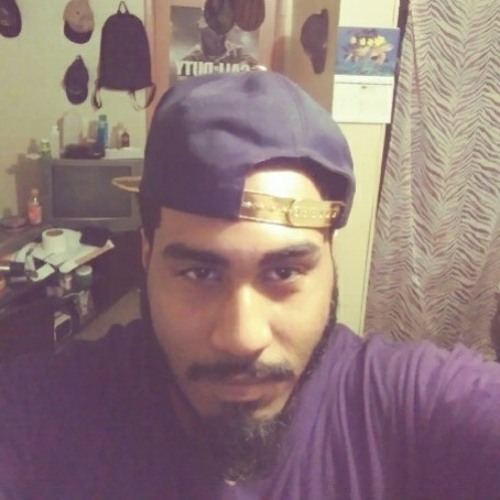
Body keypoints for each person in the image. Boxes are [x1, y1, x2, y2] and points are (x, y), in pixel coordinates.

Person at [1, 70, 500, 499]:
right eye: (200, 273)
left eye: (283, 272)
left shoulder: (414, 411)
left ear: (330, 260)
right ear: (147, 255)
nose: (241, 338)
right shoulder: (42, 414)